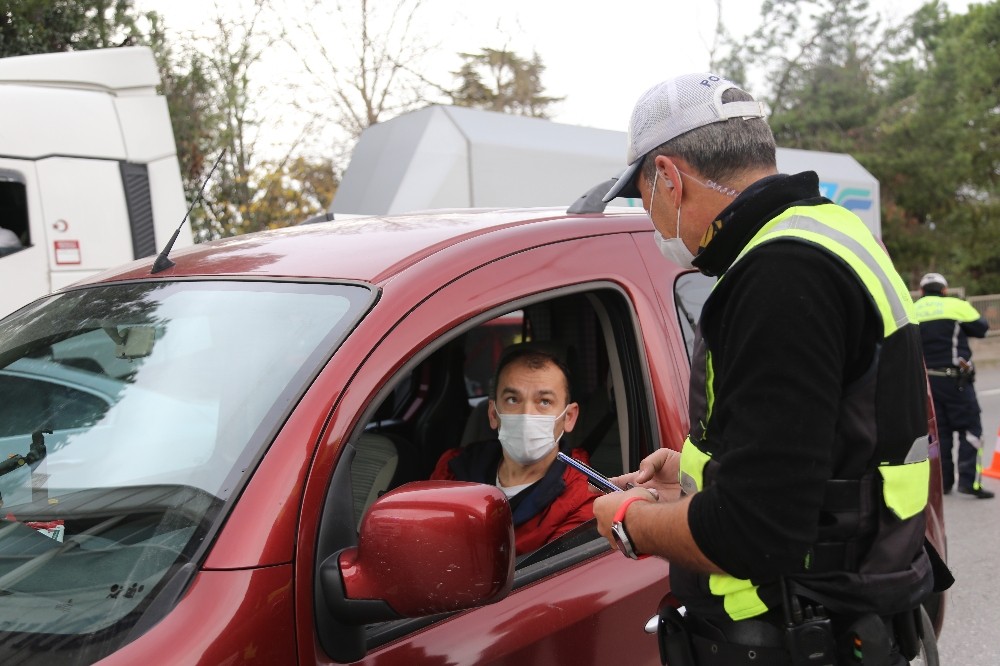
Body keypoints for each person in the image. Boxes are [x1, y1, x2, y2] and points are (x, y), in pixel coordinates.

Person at [594, 73, 946, 665]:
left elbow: (754, 532)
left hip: (798, 632)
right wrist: (693, 472)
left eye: (642, 194)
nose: (648, 213)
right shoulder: (828, 235)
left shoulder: (779, 277)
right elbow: (830, 441)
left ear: (669, 178)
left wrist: (628, 521)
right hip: (849, 611)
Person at [431, 342, 597, 556]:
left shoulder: (582, 499)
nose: (526, 415)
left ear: (569, 417)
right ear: (493, 414)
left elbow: (551, 583)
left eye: (544, 402)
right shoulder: (453, 469)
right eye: (512, 399)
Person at [914, 272, 993, 499]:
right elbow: (982, 329)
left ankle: (943, 483)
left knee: (938, 434)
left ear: (921, 291)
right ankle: (969, 482)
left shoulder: (913, 308)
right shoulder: (956, 305)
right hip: (955, 381)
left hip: (925, 383)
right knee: (971, 430)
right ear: (944, 290)